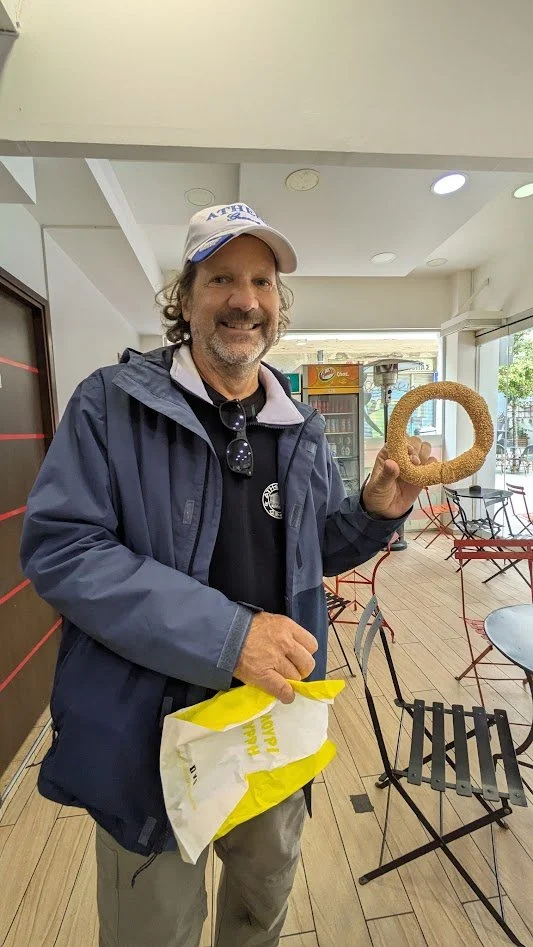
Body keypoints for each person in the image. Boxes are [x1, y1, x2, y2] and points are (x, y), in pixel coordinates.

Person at [20, 203, 436, 947]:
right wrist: (228, 635)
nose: (245, 299)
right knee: (155, 932)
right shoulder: (110, 407)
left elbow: (310, 548)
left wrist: (374, 511)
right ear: (184, 299)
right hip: (148, 738)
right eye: (221, 278)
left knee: (259, 915)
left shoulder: (298, 426)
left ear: (277, 303)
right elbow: (63, 547)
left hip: (272, 728)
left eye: (261, 281)